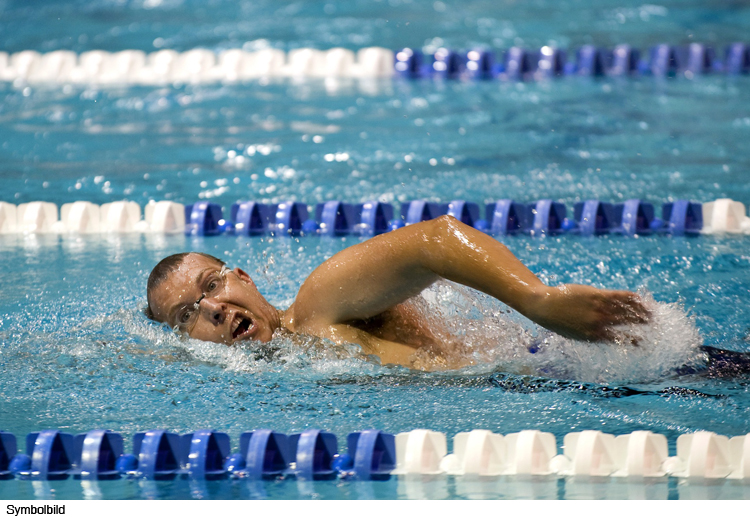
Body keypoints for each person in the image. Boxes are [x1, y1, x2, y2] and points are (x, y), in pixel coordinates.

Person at [146, 215, 649, 369]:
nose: (213, 308)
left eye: (212, 286)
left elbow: (432, 241)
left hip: (576, 367)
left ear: (245, 278)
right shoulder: (288, 363)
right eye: (186, 315)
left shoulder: (319, 304)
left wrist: (540, 301)